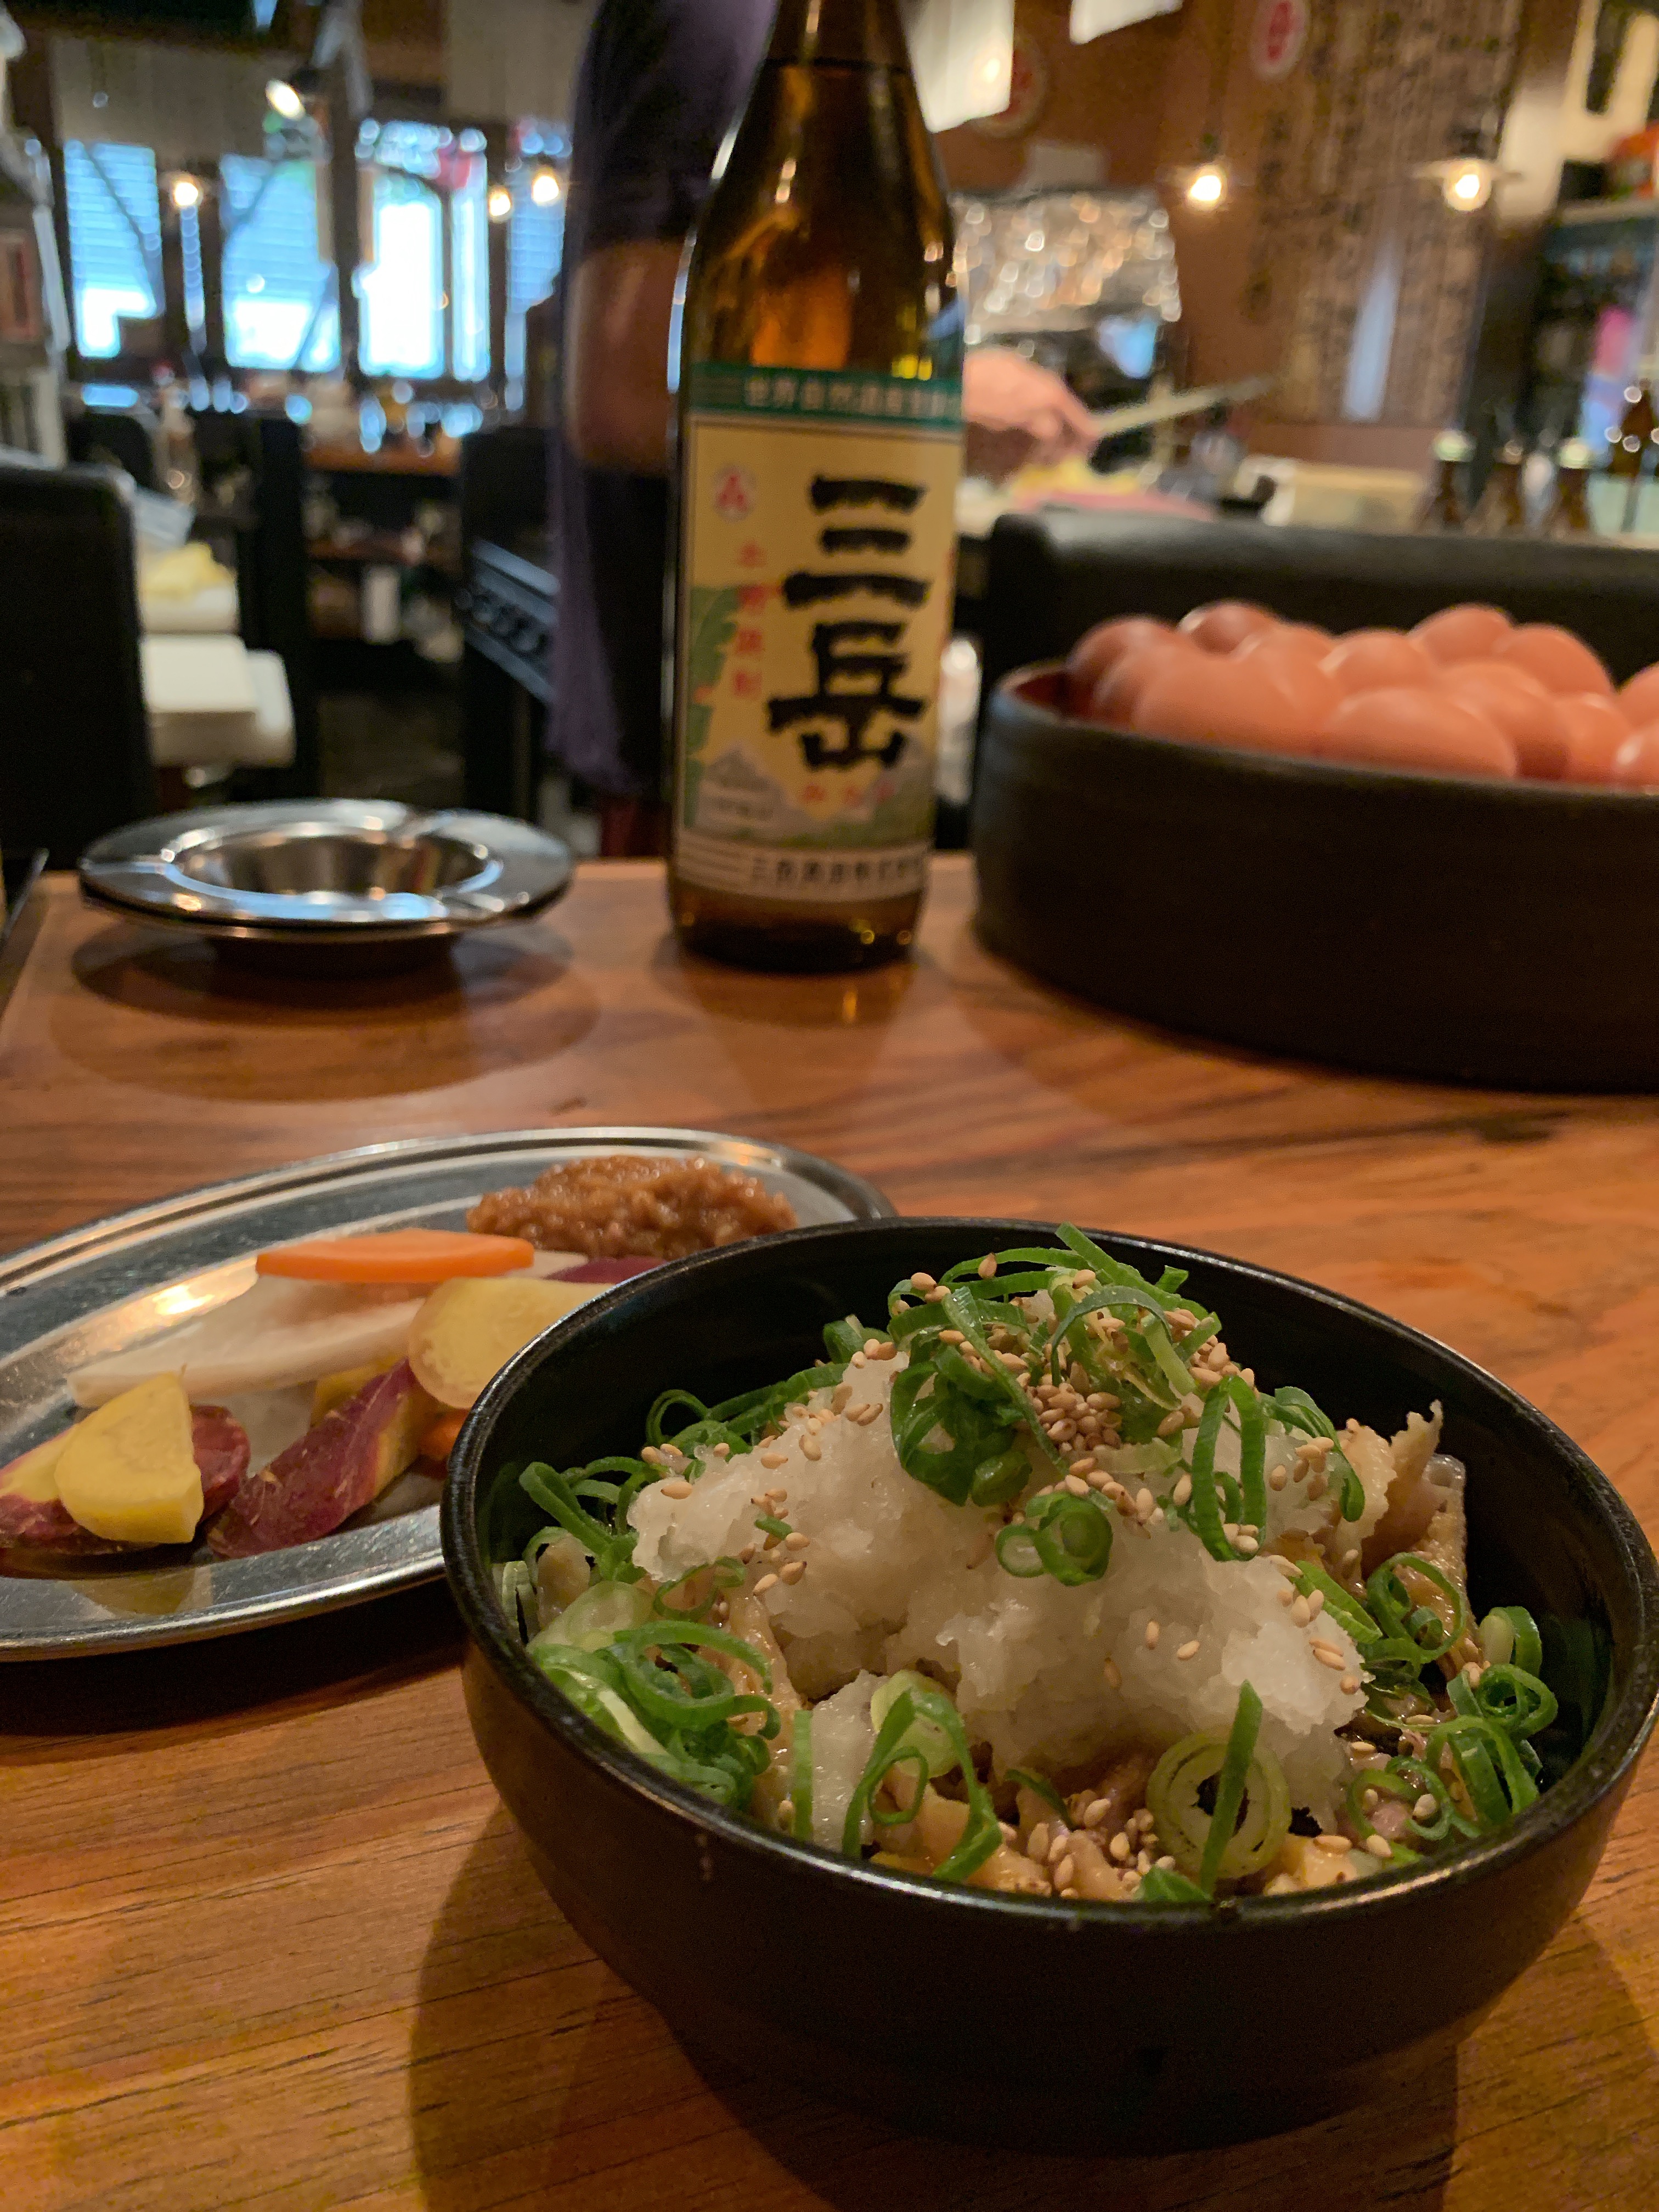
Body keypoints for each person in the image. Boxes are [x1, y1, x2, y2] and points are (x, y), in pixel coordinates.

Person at [551, 0, 1098, 849]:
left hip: (766, 724)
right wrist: (931, 413)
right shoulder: (722, 17)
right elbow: (619, 399)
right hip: (711, 721)